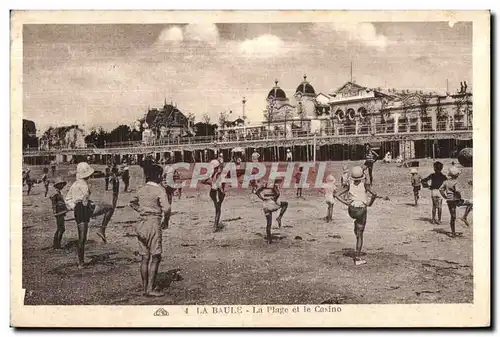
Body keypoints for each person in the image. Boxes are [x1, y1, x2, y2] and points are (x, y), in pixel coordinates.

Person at [129, 164, 171, 297]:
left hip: (141, 223)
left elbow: (132, 202)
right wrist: (166, 221)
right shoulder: (159, 190)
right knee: (156, 257)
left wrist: (142, 211)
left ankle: (144, 287)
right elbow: (167, 208)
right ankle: (150, 288)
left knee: (144, 257)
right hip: (153, 223)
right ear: (158, 176)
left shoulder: (141, 189)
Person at [334, 166, 388, 266]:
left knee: (357, 223)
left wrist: (346, 203)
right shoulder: (365, 185)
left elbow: (337, 195)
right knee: (360, 235)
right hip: (361, 210)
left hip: (352, 209)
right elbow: (374, 193)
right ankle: (358, 258)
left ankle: (356, 227)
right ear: (362, 176)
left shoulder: (349, 185)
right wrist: (370, 203)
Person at [65, 162, 115, 268]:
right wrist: (87, 203)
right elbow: (85, 200)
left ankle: (80, 262)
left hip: (79, 210)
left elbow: (68, 199)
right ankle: (102, 229)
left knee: (82, 238)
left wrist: (74, 206)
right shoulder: (84, 185)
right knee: (110, 207)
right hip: (86, 209)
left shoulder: (75, 184)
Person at [254, 172, 289, 244]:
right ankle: (279, 217)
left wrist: (262, 198)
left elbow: (256, 192)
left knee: (268, 223)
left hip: (265, 205)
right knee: (285, 204)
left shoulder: (265, 184)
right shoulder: (274, 185)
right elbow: (278, 194)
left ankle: (269, 239)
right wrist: (274, 199)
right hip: (272, 204)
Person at [439, 166, 473, 237]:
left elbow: (441, 190)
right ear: (456, 175)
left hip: (450, 201)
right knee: (470, 204)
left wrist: (445, 196)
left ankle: (453, 232)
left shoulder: (446, 182)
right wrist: (460, 197)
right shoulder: (456, 182)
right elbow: (457, 191)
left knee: (453, 217)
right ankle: (464, 217)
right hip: (456, 200)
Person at [201, 159, 226, 232]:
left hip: (213, 192)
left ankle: (216, 225)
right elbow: (221, 185)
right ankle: (215, 226)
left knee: (217, 209)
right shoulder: (218, 174)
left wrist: (210, 182)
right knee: (218, 209)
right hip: (217, 192)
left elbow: (203, 181)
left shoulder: (212, 174)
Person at [50, 177, 68, 249]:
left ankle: (56, 244)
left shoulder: (58, 192)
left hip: (61, 212)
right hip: (59, 213)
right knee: (61, 229)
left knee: (60, 228)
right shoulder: (55, 194)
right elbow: (54, 204)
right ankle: (57, 246)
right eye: (61, 184)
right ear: (57, 185)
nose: (62, 186)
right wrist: (55, 212)